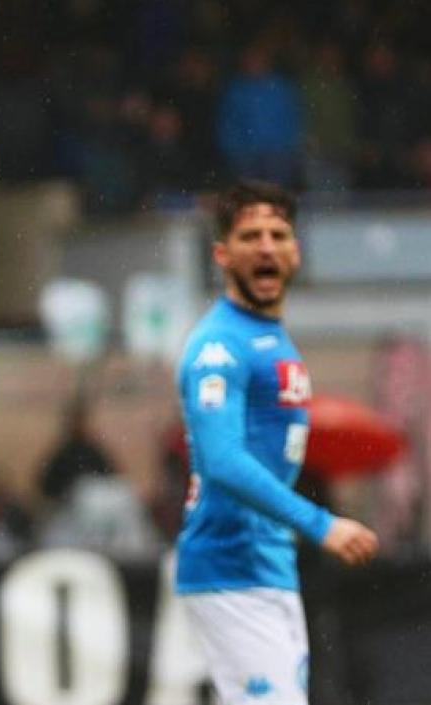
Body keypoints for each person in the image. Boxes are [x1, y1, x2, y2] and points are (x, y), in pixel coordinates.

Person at [175, 180, 378, 705]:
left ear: (295, 252)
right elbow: (221, 460)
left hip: (267, 563)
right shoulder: (219, 346)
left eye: (278, 234)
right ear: (222, 254)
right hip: (231, 563)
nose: (266, 246)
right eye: (250, 236)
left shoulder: (271, 337)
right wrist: (321, 524)